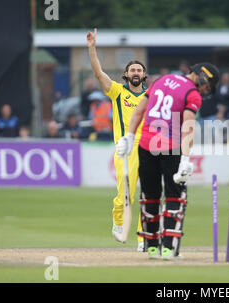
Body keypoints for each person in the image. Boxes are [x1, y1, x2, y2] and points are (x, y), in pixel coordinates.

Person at [116, 62, 220, 260]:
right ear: (202, 75)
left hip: (146, 144)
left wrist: (128, 137)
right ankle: (168, 249)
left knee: (150, 196)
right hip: (170, 146)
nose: (206, 89)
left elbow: (140, 110)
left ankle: (152, 247)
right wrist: (185, 159)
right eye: (208, 84)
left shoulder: (161, 80)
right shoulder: (192, 93)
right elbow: (188, 126)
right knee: (175, 196)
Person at [87, 28, 145, 250]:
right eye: (132, 70)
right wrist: (92, 48)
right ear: (127, 74)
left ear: (144, 74)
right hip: (126, 150)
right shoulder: (118, 91)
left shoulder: (150, 96)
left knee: (149, 195)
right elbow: (98, 73)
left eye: (139, 69)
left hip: (147, 149)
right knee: (126, 194)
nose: (136, 72)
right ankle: (119, 220)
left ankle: (143, 238)